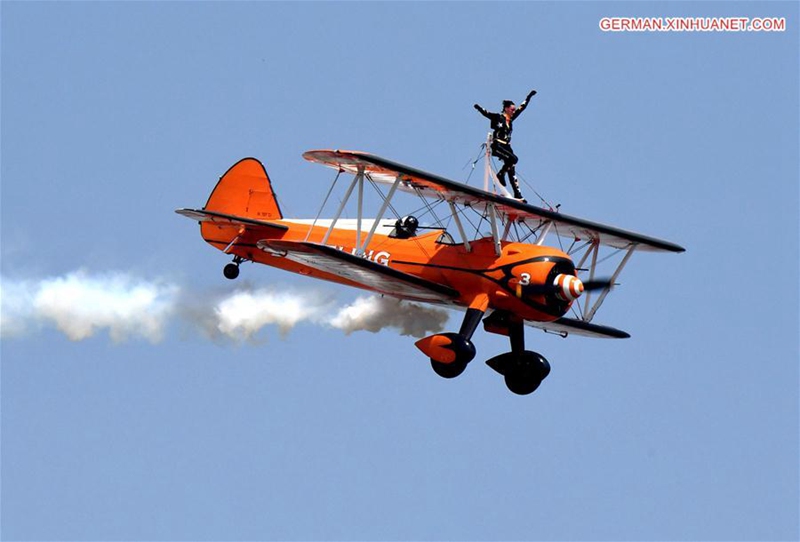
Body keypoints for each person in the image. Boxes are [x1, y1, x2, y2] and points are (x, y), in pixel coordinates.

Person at [474, 90, 537, 201]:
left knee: (512, 168)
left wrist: (529, 96)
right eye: (512, 109)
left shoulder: (511, 119)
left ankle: (518, 194)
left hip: (507, 146)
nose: (513, 111)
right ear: (507, 108)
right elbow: (487, 114)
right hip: (498, 145)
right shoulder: (499, 117)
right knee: (514, 159)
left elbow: (522, 108)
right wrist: (479, 108)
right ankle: (500, 174)